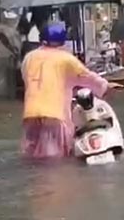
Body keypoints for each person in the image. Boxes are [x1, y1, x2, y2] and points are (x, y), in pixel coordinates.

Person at [21, 22, 111, 159]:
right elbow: (88, 77)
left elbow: (29, 81)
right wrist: (106, 87)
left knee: (33, 155)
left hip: (30, 114)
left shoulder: (29, 58)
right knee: (56, 159)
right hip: (54, 115)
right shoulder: (66, 59)